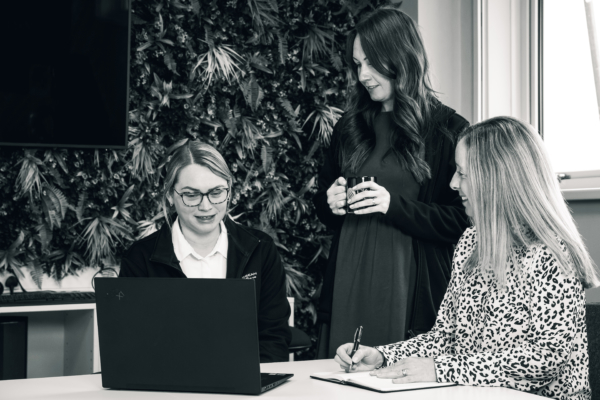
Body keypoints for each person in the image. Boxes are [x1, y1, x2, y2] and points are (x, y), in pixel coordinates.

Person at [335, 116, 600, 400]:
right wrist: (382, 356)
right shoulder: (469, 242)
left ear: (495, 179)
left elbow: (546, 359)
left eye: (462, 173)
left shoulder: (552, 253)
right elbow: (446, 338)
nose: (452, 183)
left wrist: (442, 370)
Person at [313, 6, 470, 358]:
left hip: (408, 286)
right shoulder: (348, 127)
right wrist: (331, 203)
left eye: (372, 63)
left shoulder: (449, 130)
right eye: (357, 65)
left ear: (401, 57)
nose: (363, 75)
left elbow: (463, 221)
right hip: (347, 279)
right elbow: (323, 208)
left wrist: (391, 205)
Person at [119, 140, 292, 363]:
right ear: (171, 195)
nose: (206, 206)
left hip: (244, 387)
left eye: (216, 192)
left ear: (229, 190)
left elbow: (274, 337)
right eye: (191, 195)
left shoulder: (261, 249)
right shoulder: (140, 258)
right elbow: (131, 343)